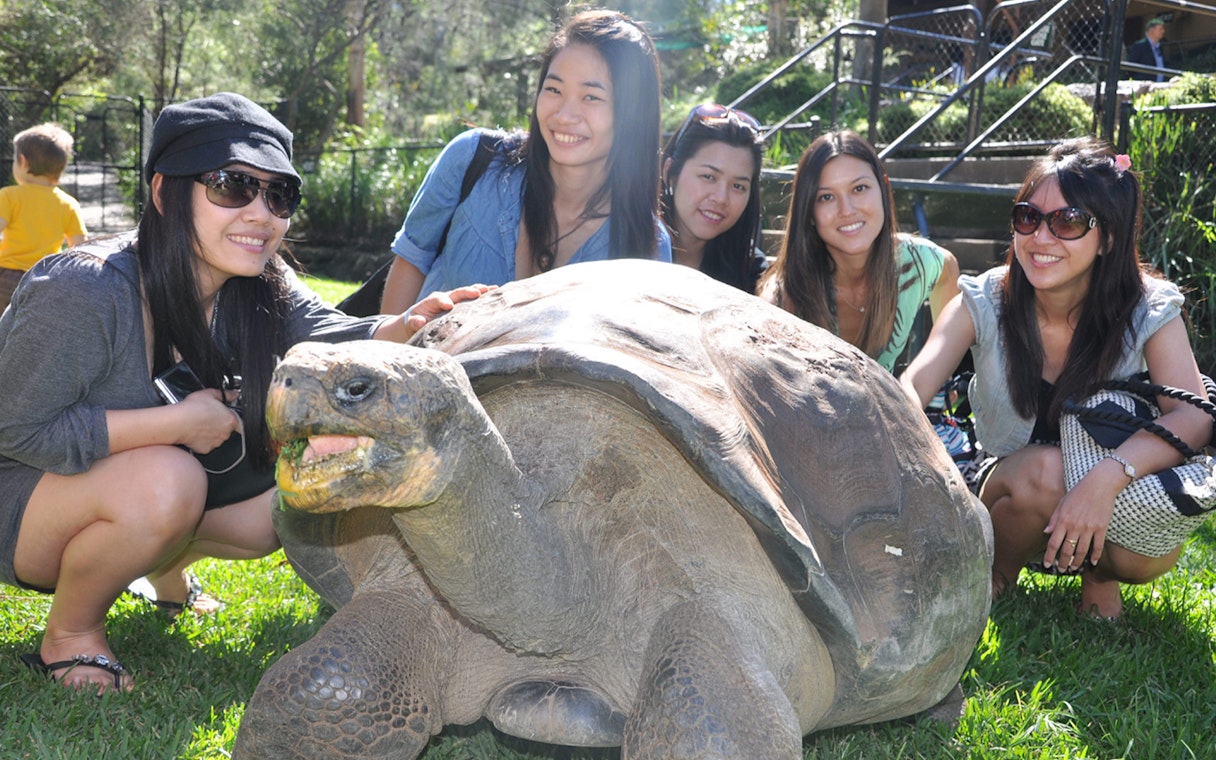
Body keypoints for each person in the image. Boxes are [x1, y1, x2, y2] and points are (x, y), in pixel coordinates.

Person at [0, 92, 487, 694]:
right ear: (163, 192)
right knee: (169, 482)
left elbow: (339, 333)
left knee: (273, 512)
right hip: (18, 501)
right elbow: (15, 429)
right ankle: (70, 637)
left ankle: (161, 567)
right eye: (232, 186)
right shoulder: (86, 290)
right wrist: (174, 424)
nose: (261, 213)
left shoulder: (257, 282)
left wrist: (413, 325)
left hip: (111, 485)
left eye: (278, 194)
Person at [900, 137, 1211, 620]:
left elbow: (1193, 416)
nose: (1041, 238)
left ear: (1106, 237)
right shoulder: (983, 301)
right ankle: (997, 574)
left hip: (1111, 479)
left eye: (1067, 222)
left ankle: (1101, 573)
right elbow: (912, 387)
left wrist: (1106, 480)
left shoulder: (1149, 309)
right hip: (1013, 483)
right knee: (1045, 472)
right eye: (1028, 217)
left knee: (1145, 555)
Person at [380, 9, 671, 313]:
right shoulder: (473, 159)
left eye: (591, 97)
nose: (563, 115)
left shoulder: (646, 245)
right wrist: (386, 354)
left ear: (633, 115)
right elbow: (412, 261)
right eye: (554, 89)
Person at [757, 129, 959, 373]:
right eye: (826, 197)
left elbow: (947, 267)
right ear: (808, 210)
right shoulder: (781, 297)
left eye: (859, 188)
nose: (847, 210)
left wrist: (935, 376)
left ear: (883, 188)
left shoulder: (917, 264)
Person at [661, 103, 768, 293]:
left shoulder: (750, 271)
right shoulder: (625, 246)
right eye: (708, 177)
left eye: (738, 186)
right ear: (670, 173)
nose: (721, 198)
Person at [0, 123, 88, 312]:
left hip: (7, 278)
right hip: (45, 278)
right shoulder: (68, 203)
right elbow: (80, 247)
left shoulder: (9, 196)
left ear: (22, 162)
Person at [1126, 18, 1168, 82]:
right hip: (1144, 85)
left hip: (1159, 85)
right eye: (1160, 29)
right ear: (1151, 31)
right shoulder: (1140, 46)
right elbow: (1131, 67)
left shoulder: (1160, 47)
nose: (1163, 31)